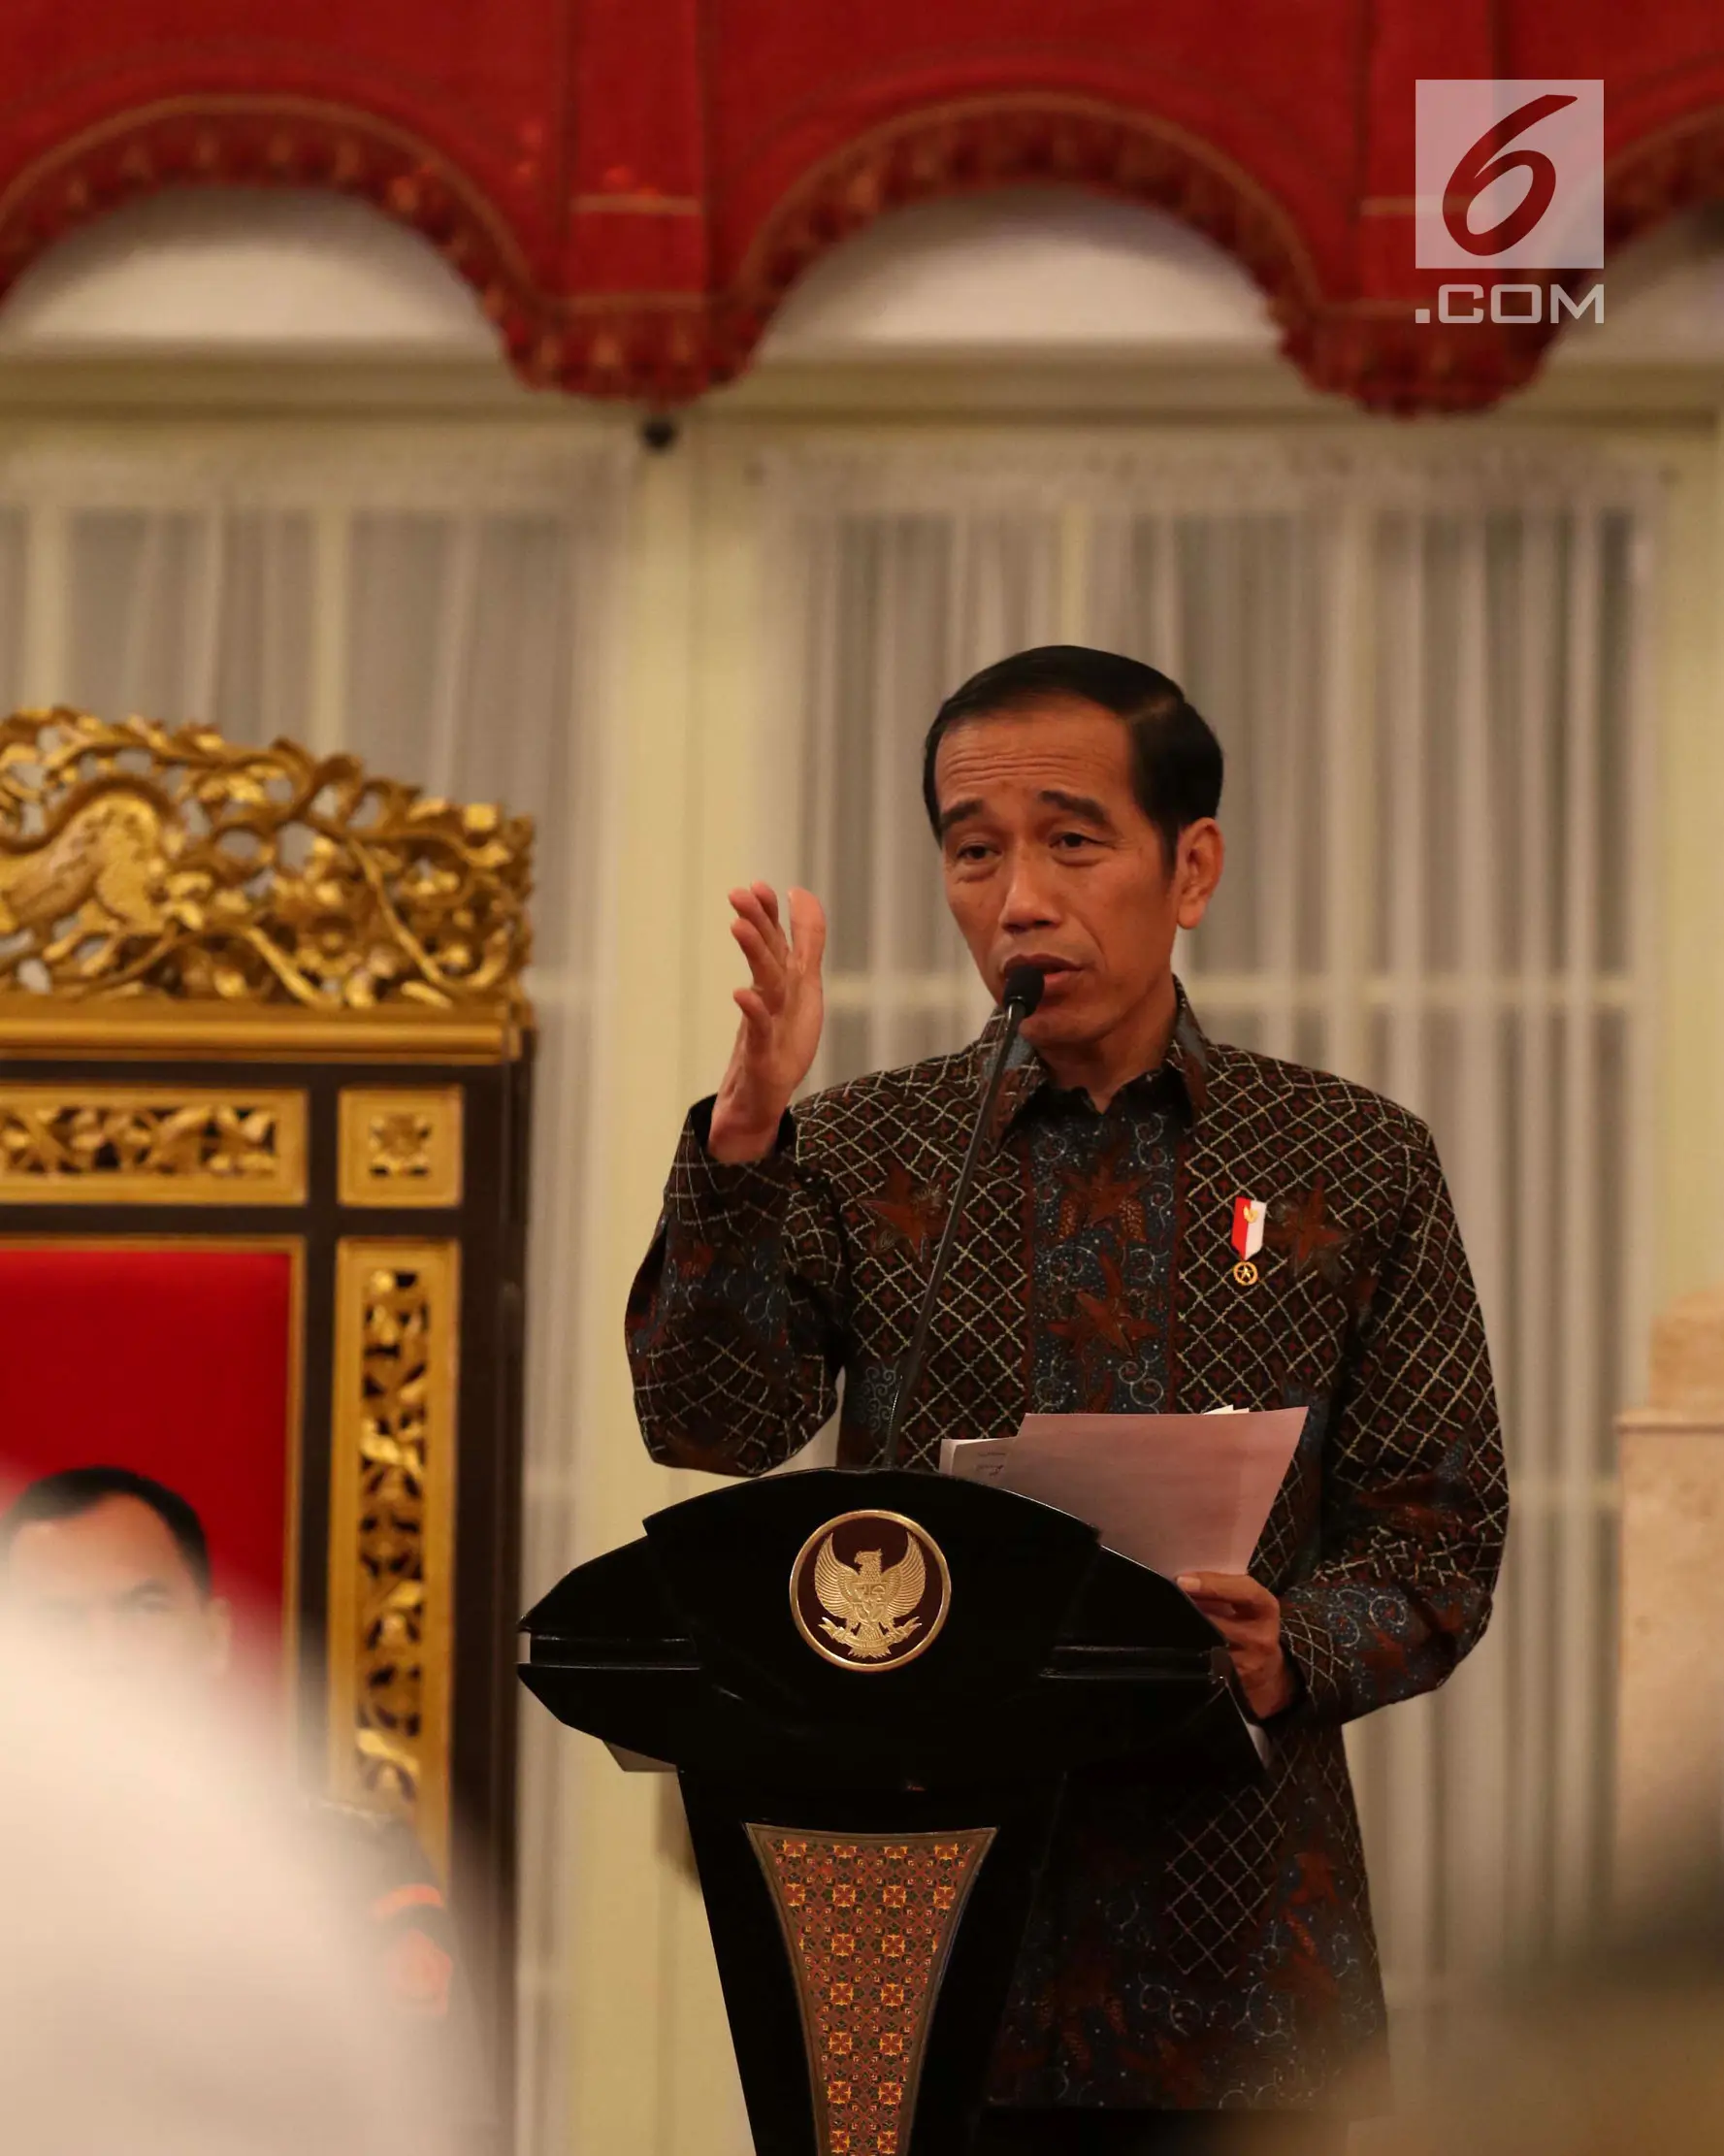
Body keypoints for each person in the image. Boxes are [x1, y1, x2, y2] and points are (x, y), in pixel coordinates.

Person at [627, 645, 1509, 2153]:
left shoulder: (1351, 1158)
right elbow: (711, 1422)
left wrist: (1290, 1643)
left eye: (1071, 839)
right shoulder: (862, 1148)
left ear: (1191, 865)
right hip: (911, 1900)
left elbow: (1440, 1531)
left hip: (1233, 1922)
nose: (1018, 897)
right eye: (976, 853)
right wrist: (747, 1138)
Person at [0, 1465, 469, 2046]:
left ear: (217, 1636)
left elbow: (430, 2122)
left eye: (145, 1610)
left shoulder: (354, 1870)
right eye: (58, 1623)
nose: (107, 1653)